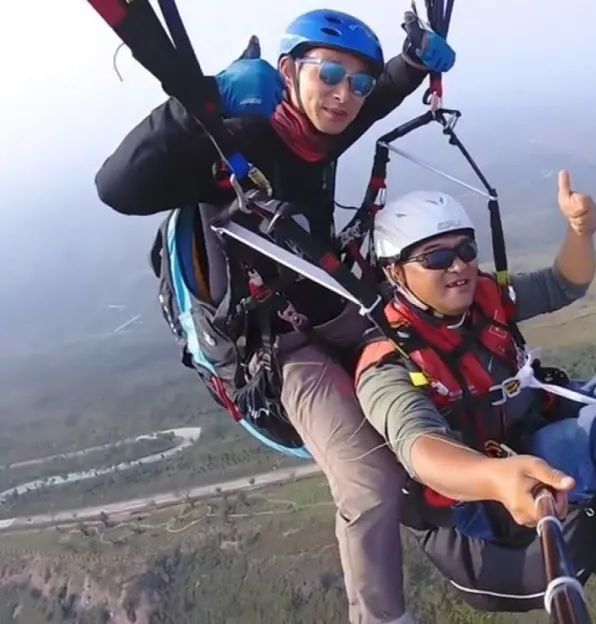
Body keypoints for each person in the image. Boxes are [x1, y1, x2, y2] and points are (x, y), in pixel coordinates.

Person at [95, 9, 455, 624]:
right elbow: (117, 187)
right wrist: (202, 102)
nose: (344, 95)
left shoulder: (317, 133)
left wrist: (413, 64)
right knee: (368, 480)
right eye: (329, 75)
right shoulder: (229, 144)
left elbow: (374, 103)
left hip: (329, 303)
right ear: (288, 72)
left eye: (357, 82)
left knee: (445, 344)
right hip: (279, 349)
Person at [355, 171, 596, 613]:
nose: (458, 266)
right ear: (395, 271)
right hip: (492, 486)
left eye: (466, 250)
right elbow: (419, 447)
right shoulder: (389, 358)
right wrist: (495, 478)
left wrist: (581, 231)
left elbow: (563, 284)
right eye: (436, 257)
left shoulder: (483, 299)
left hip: (530, 427)